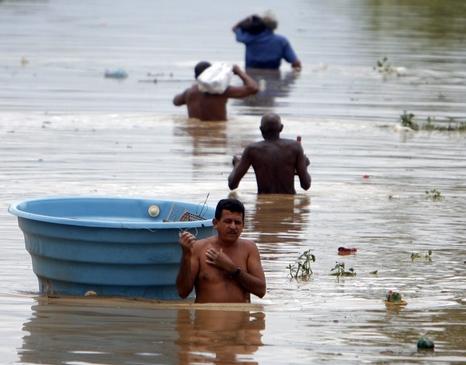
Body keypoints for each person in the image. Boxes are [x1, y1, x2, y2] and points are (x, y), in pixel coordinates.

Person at [176, 198, 266, 303]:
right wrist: (186, 256)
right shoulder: (198, 248)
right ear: (215, 223)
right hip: (207, 317)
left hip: (240, 318)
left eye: (237, 222)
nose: (233, 227)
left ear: (243, 226)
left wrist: (232, 269)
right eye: (228, 221)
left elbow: (261, 290)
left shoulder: (249, 248)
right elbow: (183, 292)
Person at [228, 113, 311, 194]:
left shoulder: (252, 150)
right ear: (281, 128)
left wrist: (236, 165)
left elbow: (232, 184)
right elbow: (306, 185)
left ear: (261, 129)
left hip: (263, 204)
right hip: (288, 205)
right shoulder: (295, 147)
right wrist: (304, 165)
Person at [173, 61, 259, 121]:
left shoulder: (189, 92)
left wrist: (187, 96)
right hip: (217, 134)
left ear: (195, 77)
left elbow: (175, 102)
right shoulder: (221, 91)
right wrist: (239, 71)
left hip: (196, 137)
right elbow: (253, 88)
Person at [233, 13, 302, 71]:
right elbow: (296, 63)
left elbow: (235, 29)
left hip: (251, 73)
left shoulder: (249, 38)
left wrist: (246, 20)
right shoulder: (282, 41)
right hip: (274, 74)